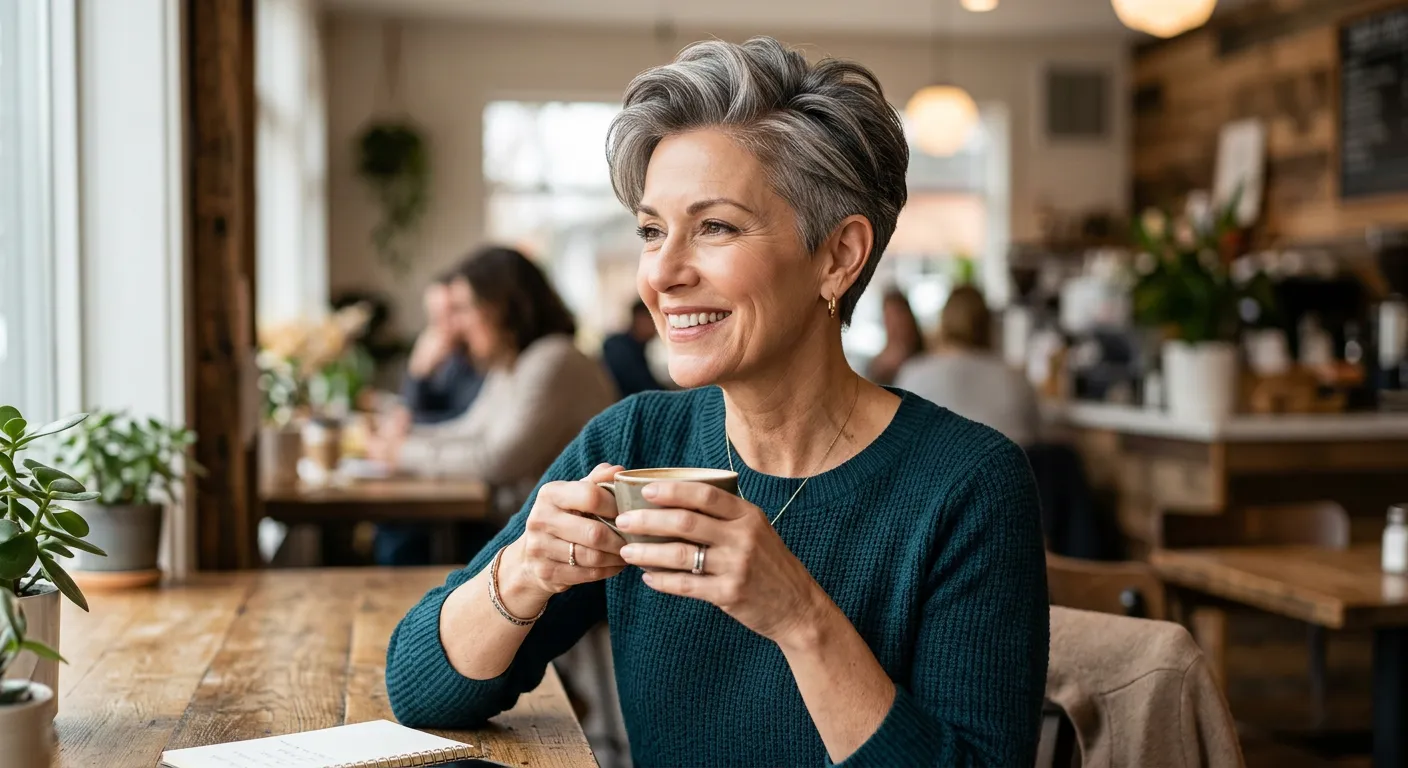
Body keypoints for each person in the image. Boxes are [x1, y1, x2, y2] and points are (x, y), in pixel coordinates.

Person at [385, 38, 1047, 767]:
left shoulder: (969, 484)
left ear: (839, 257)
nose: (662, 273)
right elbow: (421, 690)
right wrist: (524, 571)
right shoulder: (637, 441)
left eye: (716, 227)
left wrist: (798, 616)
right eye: (650, 230)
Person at [369, 246, 617, 562]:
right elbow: (470, 429)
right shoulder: (514, 361)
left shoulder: (554, 359)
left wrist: (399, 452)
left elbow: (495, 460)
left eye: (464, 308)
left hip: (555, 547)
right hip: (522, 529)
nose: (458, 325)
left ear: (501, 306)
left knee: (401, 536)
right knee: (399, 531)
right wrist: (401, 440)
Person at [895, 284, 1043, 447]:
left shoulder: (915, 374)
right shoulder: (1015, 377)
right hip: (1009, 469)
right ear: (988, 324)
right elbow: (1035, 433)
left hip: (941, 469)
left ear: (944, 321)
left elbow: (900, 443)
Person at [401, 272, 483, 425]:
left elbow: (462, 424)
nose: (441, 326)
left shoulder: (483, 360)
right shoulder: (453, 360)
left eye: (450, 313)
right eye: (435, 317)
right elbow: (418, 409)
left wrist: (406, 428)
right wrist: (418, 372)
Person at [601, 300, 665, 397]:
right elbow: (643, 386)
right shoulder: (619, 347)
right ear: (639, 319)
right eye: (654, 319)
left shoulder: (637, 347)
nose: (658, 326)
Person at [865, 289, 924, 385]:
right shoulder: (874, 366)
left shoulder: (923, 357)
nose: (894, 324)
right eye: (889, 316)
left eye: (898, 316)